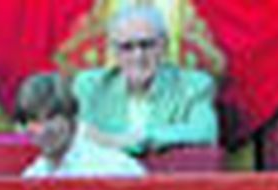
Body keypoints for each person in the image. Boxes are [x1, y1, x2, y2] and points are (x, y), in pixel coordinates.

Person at [72, 3, 217, 155]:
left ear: (164, 46)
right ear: (114, 51)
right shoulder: (91, 85)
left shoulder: (194, 85)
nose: (138, 56)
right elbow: (79, 135)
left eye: (146, 45)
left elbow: (205, 132)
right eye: (127, 47)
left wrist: (141, 138)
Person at [14, 72, 145, 180]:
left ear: (71, 117)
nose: (44, 129)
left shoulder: (115, 169)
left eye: (52, 117)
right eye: (35, 121)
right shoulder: (32, 177)